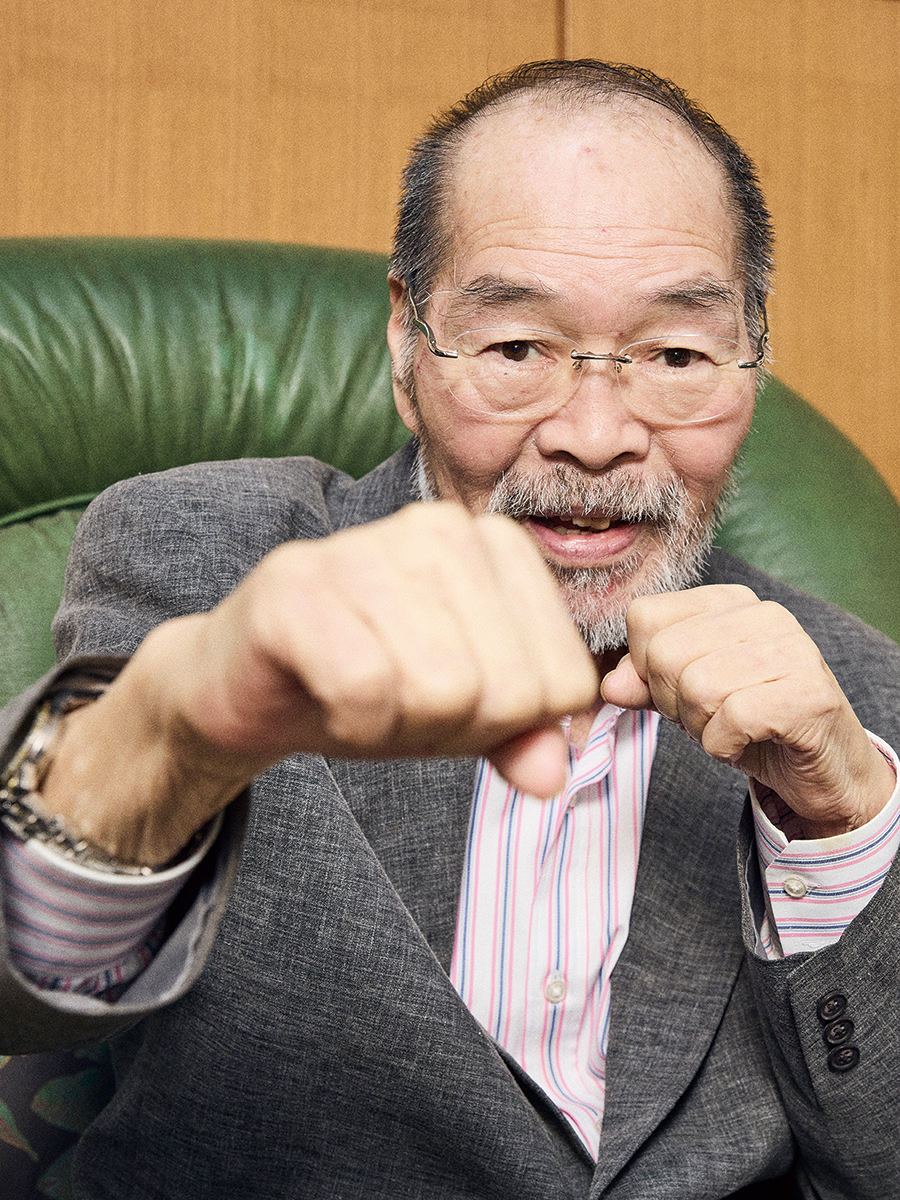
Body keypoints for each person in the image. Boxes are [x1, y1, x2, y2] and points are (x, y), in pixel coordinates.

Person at [1, 58, 899, 1199]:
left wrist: (842, 834)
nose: (595, 436)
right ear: (405, 345)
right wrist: (176, 730)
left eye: (675, 355)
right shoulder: (210, 562)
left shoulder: (856, 697)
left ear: (749, 360)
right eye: (518, 348)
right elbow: (20, 990)